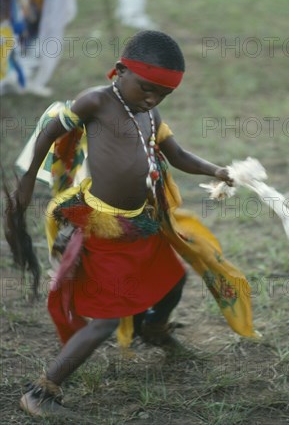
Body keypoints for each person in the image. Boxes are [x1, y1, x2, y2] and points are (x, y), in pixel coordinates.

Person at [13, 30, 255, 418]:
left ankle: (152, 330)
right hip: (105, 229)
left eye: (162, 94)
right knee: (105, 321)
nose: (153, 99)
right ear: (120, 70)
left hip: (144, 223)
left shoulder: (148, 111)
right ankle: (42, 391)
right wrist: (27, 180)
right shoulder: (96, 102)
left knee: (173, 279)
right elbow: (51, 130)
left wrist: (217, 170)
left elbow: (175, 154)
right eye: (146, 89)